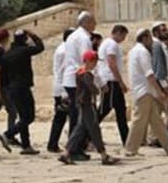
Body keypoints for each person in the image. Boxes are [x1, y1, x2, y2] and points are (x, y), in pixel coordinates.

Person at [125, 28, 168, 156]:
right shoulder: (143, 52)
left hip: (142, 90)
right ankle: (130, 148)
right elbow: (149, 74)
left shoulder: (134, 51)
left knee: (156, 120)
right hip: (145, 91)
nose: (152, 41)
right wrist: (159, 91)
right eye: (150, 38)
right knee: (139, 120)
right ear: (144, 38)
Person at [60, 50, 118, 166]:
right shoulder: (87, 74)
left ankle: (66, 153)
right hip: (87, 104)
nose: (95, 63)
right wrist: (99, 89)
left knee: (79, 129)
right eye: (94, 61)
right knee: (94, 129)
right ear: (89, 61)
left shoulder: (80, 72)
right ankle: (103, 155)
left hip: (82, 103)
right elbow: (92, 88)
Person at [0, 29, 44, 154]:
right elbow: (40, 47)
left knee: (23, 117)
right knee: (29, 117)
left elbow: (3, 75)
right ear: (24, 39)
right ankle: (8, 134)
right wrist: (33, 35)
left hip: (12, 88)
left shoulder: (7, 54)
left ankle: (26, 145)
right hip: (23, 87)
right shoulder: (24, 51)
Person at [61, 12, 96, 160]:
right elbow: (86, 60)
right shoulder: (84, 38)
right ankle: (73, 149)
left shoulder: (72, 36)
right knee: (81, 118)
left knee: (76, 117)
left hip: (70, 78)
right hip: (79, 79)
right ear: (86, 22)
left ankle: (74, 148)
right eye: (93, 22)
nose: (95, 25)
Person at [96, 25, 130, 145]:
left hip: (114, 81)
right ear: (118, 33)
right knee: (103, 110)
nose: (124, 39)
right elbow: (111, 63)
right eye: (124, 35)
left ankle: (127, 140)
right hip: (111, 81)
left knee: (121, 111)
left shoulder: (109, 44)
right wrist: (121, 82)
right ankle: (86, 133)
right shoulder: (111, 44)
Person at [46, 29, 74, 153]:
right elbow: (62, 71)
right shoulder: (65, 51)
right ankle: (71, 145)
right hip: (64, 88)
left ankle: (53, 144)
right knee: (67, 117)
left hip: (61, 88)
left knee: (61, 117)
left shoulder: (62, 49)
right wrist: (65, 91)